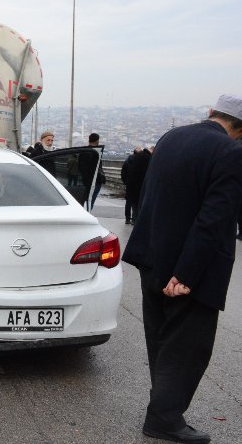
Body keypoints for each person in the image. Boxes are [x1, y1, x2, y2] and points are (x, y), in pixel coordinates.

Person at [121, 94, 242, 444]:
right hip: (189, 271)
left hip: (152, 259)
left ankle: (163, 409)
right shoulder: (231, 153)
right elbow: (214, 220)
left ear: (210, 113)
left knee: (160, 340)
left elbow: (152, 197)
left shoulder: (170, 138)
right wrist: (186, 273)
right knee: (188, 347)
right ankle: (164, 419)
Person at [121, 148, 142, 224]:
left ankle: (127, 219)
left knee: (128, 202)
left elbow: (123, 173)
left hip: (129, 184)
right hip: (137, 185)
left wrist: (125, 182)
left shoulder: (127, 161)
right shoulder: (140, 162)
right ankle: (134, 219)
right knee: (135, 202)